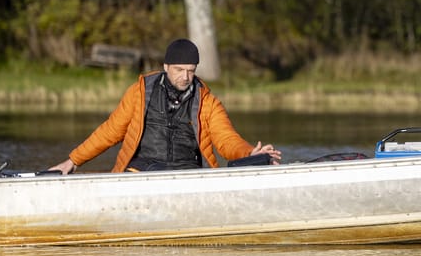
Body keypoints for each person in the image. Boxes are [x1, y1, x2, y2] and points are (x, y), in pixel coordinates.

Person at [49, 38, 281, 174]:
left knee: (246, 161)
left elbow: (226, 140)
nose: (185, 77)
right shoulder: (140, 93)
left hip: (186, 173)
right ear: (166, 66)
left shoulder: (207, 101)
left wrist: (249, 152)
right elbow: (109, 132)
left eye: (191, 71)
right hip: (141, 170)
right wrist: (73, 161)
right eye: (179, 70)